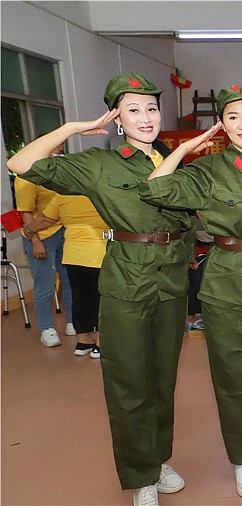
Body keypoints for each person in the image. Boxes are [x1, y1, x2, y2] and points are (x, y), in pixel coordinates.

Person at [7, 72, 193, 506]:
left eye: (151, 108)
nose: (145, 117)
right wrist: (75, 128)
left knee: (162, 379)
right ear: (116, 119)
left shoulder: (174, 161)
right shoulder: (98, 164)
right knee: (129, 381)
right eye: (133, 110)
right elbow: (21, 164)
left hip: (170, 282)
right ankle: (141, 476)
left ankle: (158, 459)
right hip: (127, 281)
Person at [138, 84, 242, 500]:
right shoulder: (207, 170)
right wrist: (185, 148)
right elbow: (154, 188)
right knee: (232, 375)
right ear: (221, 125)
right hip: (226, 281)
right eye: (233, 117)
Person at [25, 193, 109, 358]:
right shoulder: (100, 192)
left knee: (80, 297)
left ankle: (83, 341)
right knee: (102, 299)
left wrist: (29, 230)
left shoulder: (63, 195)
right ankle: (101, 344)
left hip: (73, 255)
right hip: (100, 253)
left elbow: (45, 219)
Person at [15, 142, 75, 347]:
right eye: (56, 148)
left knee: (69, 281)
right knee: (45, 285)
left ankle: (73, 322)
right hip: (39, 235)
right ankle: (47, 328)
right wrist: (35, 241)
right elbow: (25, 212)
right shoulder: (26, 177)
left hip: (61, 232)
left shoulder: (55, 172)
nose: (60, 152)